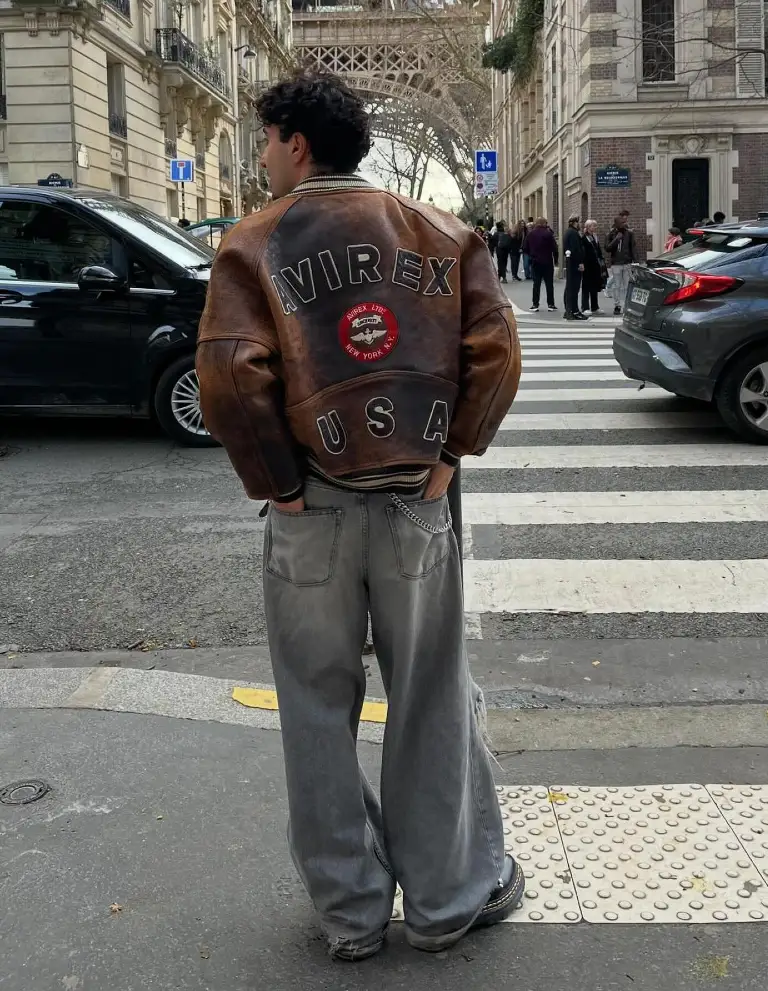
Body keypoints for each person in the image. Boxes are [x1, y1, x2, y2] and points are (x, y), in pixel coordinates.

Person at [195, 69, 524, 963]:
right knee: (430, 696)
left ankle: (349, 910)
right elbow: (495, 351)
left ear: (297, 142)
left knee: (315, 703)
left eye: (265, 139)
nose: (261, 156)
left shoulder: (252, 244)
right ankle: (448, 899)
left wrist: (279, 483)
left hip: (313, 505)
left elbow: (228, 376)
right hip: (414, 501)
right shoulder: (444, 232)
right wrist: (451, 455)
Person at [604, 211, 637, 315]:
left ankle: (627, 306)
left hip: (627, 263)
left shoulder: (629, 234)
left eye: (624, 222)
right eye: (621, 223)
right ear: (616, 224)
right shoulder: (610, 234)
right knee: (617, 286)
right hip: (616, 263)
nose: (623, 224)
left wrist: (636, 263)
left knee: (627, 286)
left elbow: (633, 248)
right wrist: (616, 239)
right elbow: (607, 248)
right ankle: (617, 305)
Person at [523, 217, 558, 311]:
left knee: (536, 284)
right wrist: (556, 260)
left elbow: (525, 248)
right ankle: (551, 304)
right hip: (547, 261)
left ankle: (535, 304)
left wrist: (531, 255)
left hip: (535, 262)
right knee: (549, 284)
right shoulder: (548, 234)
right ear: (544, 223)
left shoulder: (531, 234)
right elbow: (554, 248)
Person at [562, 214, 586, 320]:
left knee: (570, 288)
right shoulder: (573, 233)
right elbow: (576, 249)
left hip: (571, 263)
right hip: (574, 264)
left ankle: (569, 309)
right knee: (573, 288)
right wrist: (580, 263)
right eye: (578, 222)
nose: (579, 224)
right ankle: (574, 310)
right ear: (574, 223)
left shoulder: (569, 232)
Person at [580, 218, 605, 315]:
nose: (595, 227)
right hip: (587, 265)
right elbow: (583, 252)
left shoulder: (595, 237)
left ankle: (595, 306)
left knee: (595, 285)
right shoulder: (584, 238)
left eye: (595, 225)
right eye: (594, 226)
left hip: (596, 265)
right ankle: (585, 307)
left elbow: (598, 250)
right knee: (586, 286)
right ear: (588, 227)